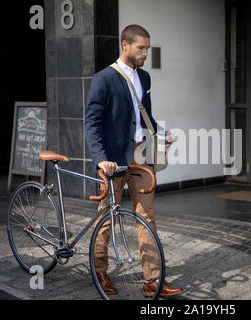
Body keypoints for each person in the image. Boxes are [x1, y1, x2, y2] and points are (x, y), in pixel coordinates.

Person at [85, 24, 183, 297]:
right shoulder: (104, 79)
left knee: (147, 218)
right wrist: (101, 160)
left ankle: (153, 280)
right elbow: (91, 123)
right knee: (107, 219)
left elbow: (144, 115)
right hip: (113, 161)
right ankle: (99, 270)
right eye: (141, 48)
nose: (145, 53)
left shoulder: (146, 78)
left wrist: (160, 133)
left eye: (148, 49)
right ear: (124, 45)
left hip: (141, 157)